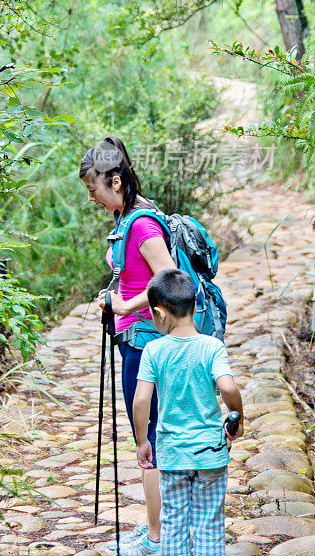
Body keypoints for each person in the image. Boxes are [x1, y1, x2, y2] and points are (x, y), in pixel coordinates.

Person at [80, 136, 176, 556]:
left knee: (148, 437)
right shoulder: (132, 215)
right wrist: (114, 299)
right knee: (153, 434)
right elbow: (138, 276)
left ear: (115, 182)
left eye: (93, 190)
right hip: (134, 337)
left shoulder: (140, 223)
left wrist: (123, 303)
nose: (92, 198)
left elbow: (169, 278)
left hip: (145, 342)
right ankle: (158, 527)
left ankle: (157, 540)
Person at [133, 269, 243, 556]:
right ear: (195, 306)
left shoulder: (154, 351)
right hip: (211, 452)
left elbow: (141, 401)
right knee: (209, 524)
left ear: (158, 313)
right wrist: (236, 416)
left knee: (174, 524)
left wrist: (143, 441)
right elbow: (228, 389)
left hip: (173, 455)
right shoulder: (212, 346)